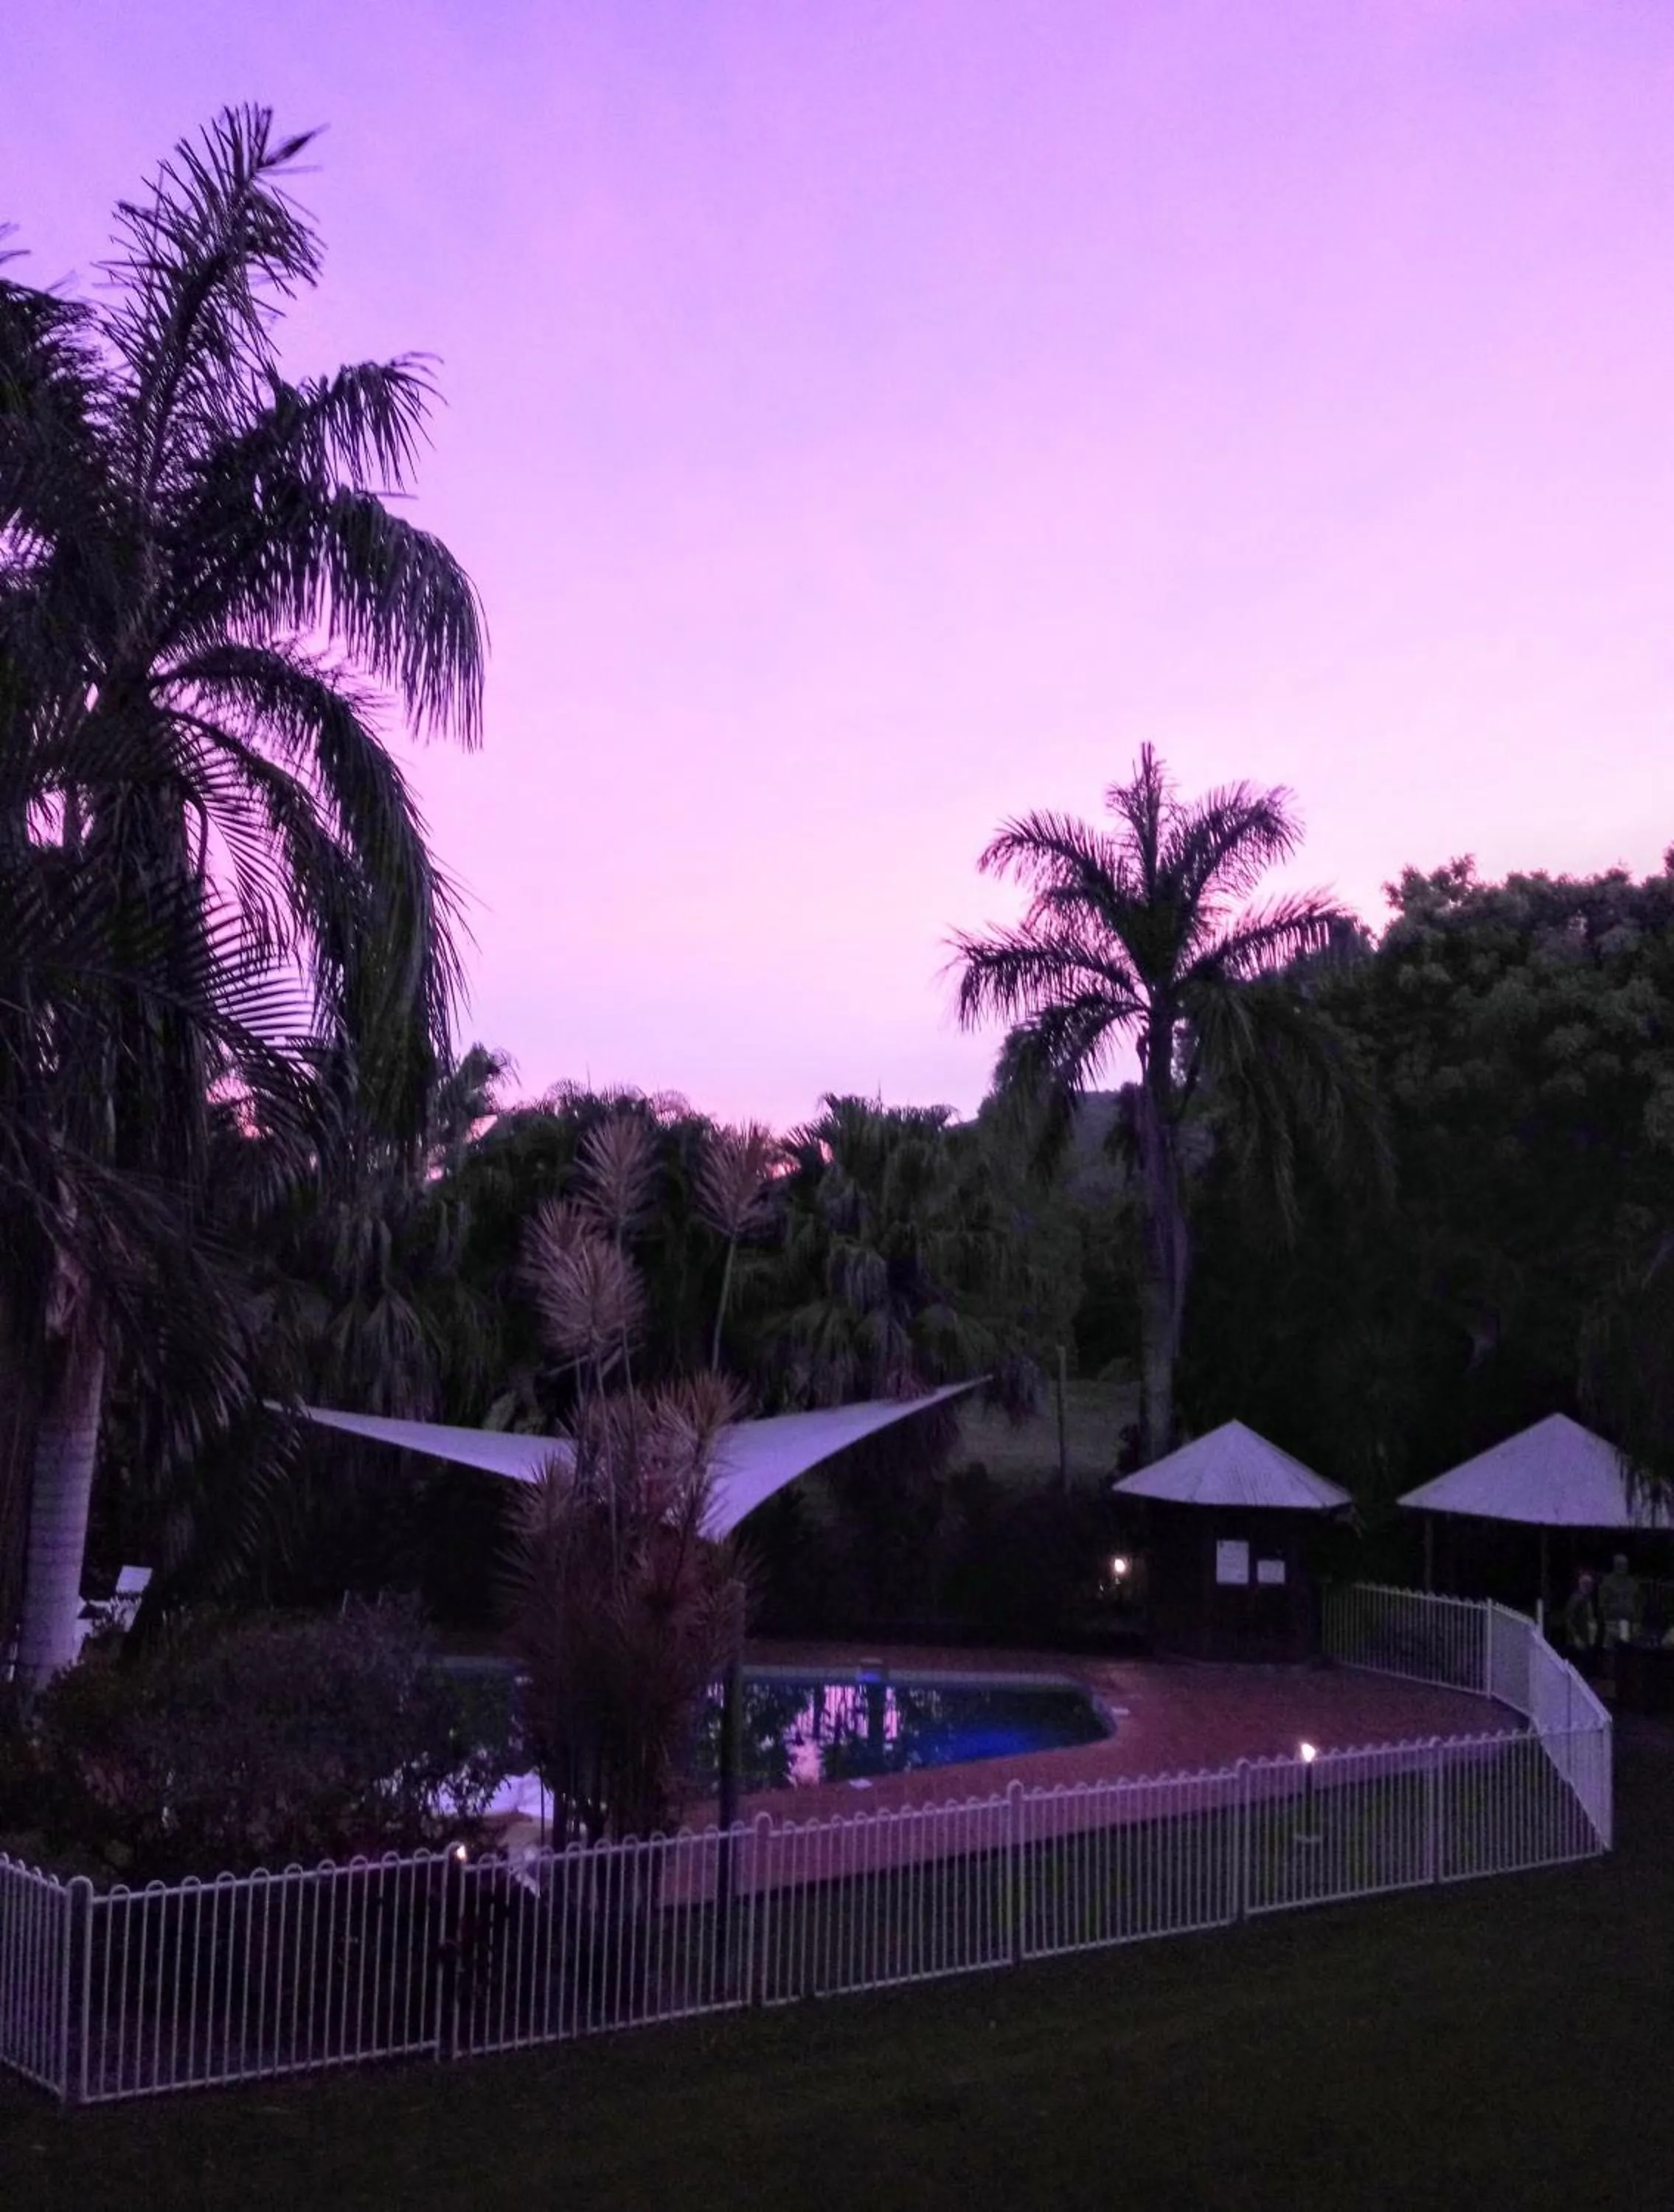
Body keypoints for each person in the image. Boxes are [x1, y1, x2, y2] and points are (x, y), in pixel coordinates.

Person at [1597, 1554, 1642, 1649]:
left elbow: (1638, 1602)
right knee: (1612, 1644)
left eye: (1625, 1565)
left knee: (1627, 1638)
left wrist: (1636, 1621)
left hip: (1629, 1621)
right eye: (1620, 1564)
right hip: (1612, 1621)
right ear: (1615, 1565)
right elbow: (1602, 1603)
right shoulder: (1608, 1581)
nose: (1623, 1567)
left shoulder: (1631, 1582)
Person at [1562, 1571, 1600, 1669]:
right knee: (1579, 1666)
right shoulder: (1576, 1599)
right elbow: (1569, 1619)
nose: (1592, 1587)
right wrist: (1576, 1637)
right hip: (1578, 1639)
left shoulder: (1588, 1599)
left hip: (1587, 1637)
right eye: (1590, 1585)